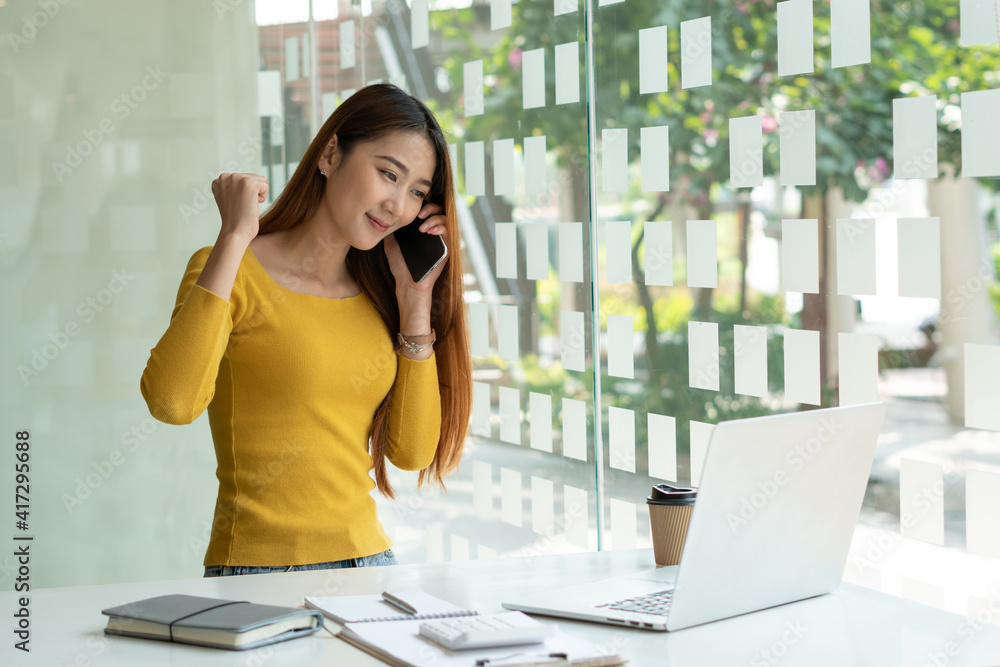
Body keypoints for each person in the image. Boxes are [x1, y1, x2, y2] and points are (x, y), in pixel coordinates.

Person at [140, 84, 471, 577]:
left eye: (418, 192)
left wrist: (415, 303)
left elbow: (412, 452)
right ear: (332, 153)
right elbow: (172, 402)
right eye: (388, 174)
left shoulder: (383, 297)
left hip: (369, 565)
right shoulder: (230, 269)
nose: (398, 205)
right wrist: (234, 236)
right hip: (256, 572)